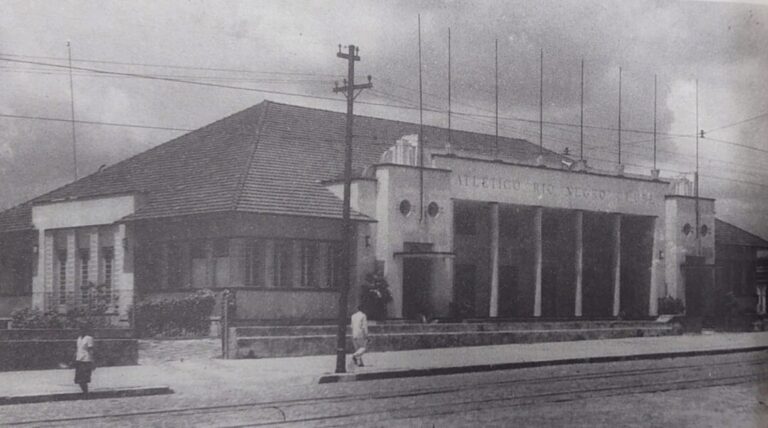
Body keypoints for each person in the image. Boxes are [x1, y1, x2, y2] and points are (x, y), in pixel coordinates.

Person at [74, 324, 95, 394]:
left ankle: (86, 392)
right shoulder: (79, 338)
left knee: (84, 379)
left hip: (86, 360)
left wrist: (93, 361)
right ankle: (85, 392)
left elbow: (90, 350)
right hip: (79, 360)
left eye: (81, 329)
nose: (79, 331)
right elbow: (78, 349)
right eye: (79, 330)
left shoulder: (89, 338)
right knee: (78, 379)